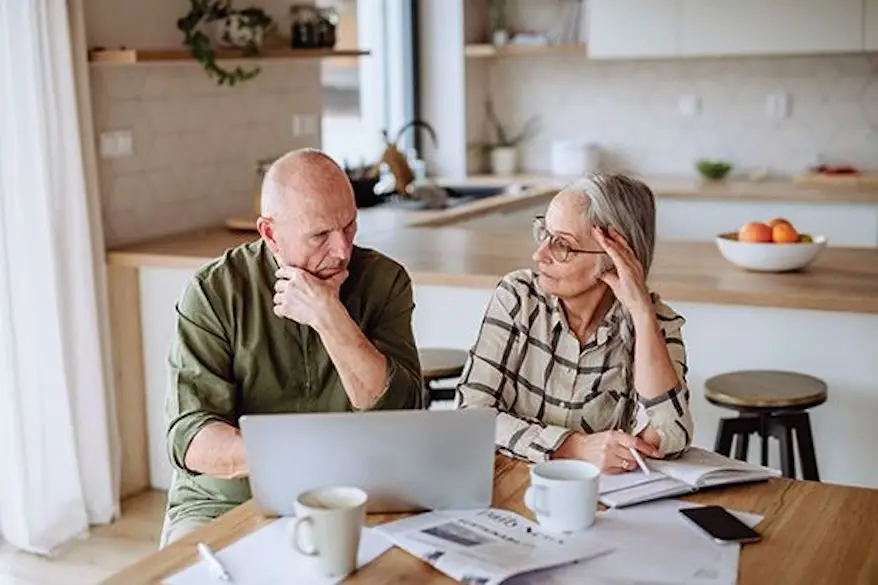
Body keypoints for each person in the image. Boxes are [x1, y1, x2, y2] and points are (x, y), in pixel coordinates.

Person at [159, 148, 423, 547]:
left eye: (350, 226)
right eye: (320, 235)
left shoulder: (385, 281)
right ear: (269, 233)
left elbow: (400, 414)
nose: (342, 250)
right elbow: (192, 440)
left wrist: (328, 315)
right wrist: (309, 453)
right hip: (224, 504)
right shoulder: (214, 290)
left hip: (352, 495)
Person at [457, 174, 693, 472]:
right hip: (509, 479)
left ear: (613, 259)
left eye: (562, 245)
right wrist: (573, 447)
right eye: (544, 233)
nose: (539, 255)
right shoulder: (519, 297)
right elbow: (471, 414)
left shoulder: (656, 321)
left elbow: (672, 435)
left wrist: (641, 312)